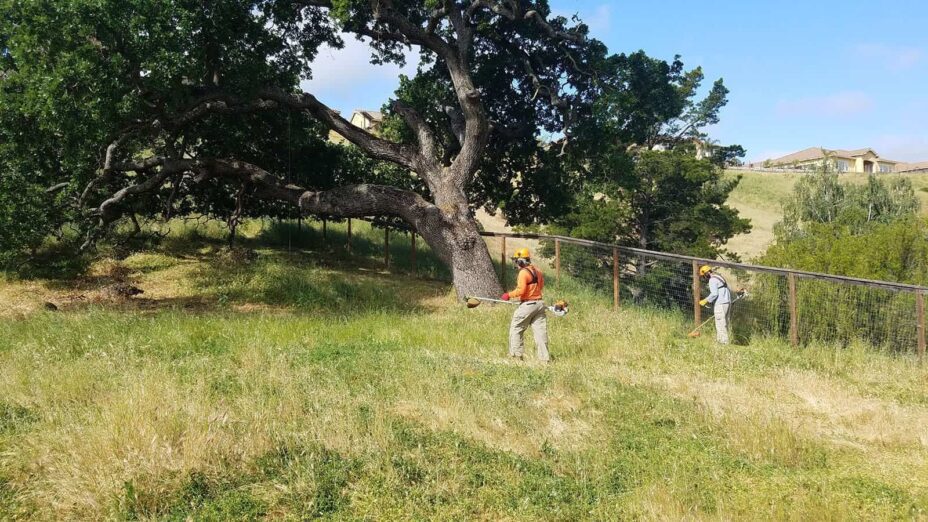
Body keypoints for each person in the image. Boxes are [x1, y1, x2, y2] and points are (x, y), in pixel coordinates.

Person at [501, 247, 550, 362]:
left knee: (516, 328)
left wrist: (508, 295)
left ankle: (516, 356)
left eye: (516, 261)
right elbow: (540, 286)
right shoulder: (537, 271)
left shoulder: (523, 273)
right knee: (540, 332)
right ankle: (545, 359)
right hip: (540, 304)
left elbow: (521, 290)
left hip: (528, 305)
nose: (516, 263)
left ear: (521, 261)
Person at [699, 265, 732, 345]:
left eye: (704, 276)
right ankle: (723, 341)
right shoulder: (719, 277)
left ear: (706, 274)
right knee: (725, 322)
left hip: (720, 303)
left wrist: (705, 300)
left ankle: (723, 343)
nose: (705, 278)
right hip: (727, 302)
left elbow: (714, 294)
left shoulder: (712, 280)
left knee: (720, 323)